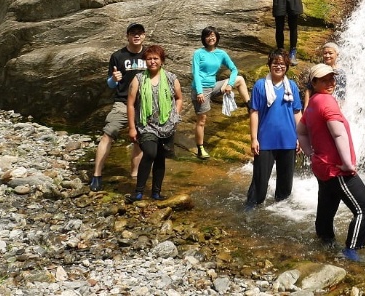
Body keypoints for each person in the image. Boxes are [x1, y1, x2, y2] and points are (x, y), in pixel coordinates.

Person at [298, 64, 365, 262]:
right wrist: (348, 164)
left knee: (327, 205)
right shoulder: (327, 101)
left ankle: (324, 242)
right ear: (313, 82)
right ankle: (351, 250)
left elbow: (300, 130)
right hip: (337, 168)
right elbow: (338, 132)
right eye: (325, 79)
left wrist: (310, 153)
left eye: (332, 78)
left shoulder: (314, 101)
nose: (331, 82)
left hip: (322, 165)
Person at [89, 23, 146, 191]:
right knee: (108, 134)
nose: (136, 36)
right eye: (133, 33)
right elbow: (111, 84)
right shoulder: (118, 56)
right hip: (122, 103)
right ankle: (97, 176)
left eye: (139, 33)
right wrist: (114, 78)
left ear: (144, 35)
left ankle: (135, 176)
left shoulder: (149, 54)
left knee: (139, 140)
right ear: (127, 36)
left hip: (143, 105)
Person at [245, 48, 302, 208]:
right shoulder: (260, 85)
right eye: (276, 63)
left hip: (288, 140)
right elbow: (254, 112)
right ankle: (250, 209)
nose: (279, 66)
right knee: (259, 184)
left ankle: (280, 213)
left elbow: (297, 112)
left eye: (282, 64)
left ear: (287, 66)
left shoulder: (292, 86)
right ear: (270, 65)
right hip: (265, 141)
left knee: (285, 188)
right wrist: (254, 138)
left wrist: (301, 137)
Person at [126, 45, 183, 201]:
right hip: (146, 126)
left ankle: (156, 192)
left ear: (162, 61)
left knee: (160, 158)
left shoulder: (172, 78)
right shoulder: (138, 79)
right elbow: (130, 104)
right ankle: (138, 191)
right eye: (149, 59)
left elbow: (179, 98)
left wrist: (175, 115)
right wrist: (132, 128)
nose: (152, 61)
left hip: (167, 126)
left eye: (155, 58)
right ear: (145, 61)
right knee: (150, 153)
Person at [191, 26, 251, 160]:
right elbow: (195, 74)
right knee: (202, 120)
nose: (210, 38)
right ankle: (200, 148)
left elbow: (234, 70)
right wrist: (200, 92)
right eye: (208, 36)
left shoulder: (221, 53)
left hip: (214, 86)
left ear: (217, 37)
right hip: (200, 89)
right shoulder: (198, 53)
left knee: (239, 79)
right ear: (204, 39)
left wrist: (229, 84)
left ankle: (249, 106)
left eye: (213, 35)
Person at [302, 41, 347, 109]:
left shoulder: (341, 73)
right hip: (317, 104)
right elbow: (309, 90)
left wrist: (339, 110)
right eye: (325, 53)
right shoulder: (318, 70)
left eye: (330, 53)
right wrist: (306, 107)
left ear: (337, 54)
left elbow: (342, 94)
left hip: (332, 106)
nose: (327, 56)